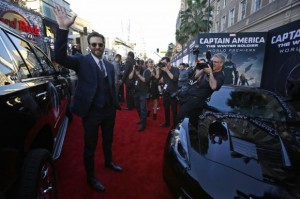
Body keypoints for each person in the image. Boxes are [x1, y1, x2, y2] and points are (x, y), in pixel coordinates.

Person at [53, 6, 122, 192]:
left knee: (108, 140)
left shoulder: (108, 64)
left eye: (100, 44)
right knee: (90, 146)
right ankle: (90, 177)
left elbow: (110, 86)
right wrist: (63, 28)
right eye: (94, 44)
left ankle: (108, 162)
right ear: (89, 46)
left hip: (109, 111)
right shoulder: (81, 61)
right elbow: (58, 56)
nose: (97, 47)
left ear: (104, 46)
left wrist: (115, 105)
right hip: (91, 112)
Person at [176, 53, 225, 126]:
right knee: (191, 121)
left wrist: (210, 73)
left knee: (179, 119)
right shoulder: (209, 69)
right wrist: (203, 68)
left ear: (221, 64)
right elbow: (195, 77)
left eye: (215, 62)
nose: (212, 63)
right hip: (190, 99)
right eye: (212, 61)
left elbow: (214, 86)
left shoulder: (220, 75)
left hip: (198, 101)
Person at [129, 59, 151, 131]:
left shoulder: (146, 71)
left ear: (142, 64)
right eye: (137, 64)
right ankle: (142, 119)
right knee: (137, 107)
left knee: (143, 109)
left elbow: (146, 80)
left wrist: (138, 74)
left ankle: (143, 124)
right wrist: (133, 70)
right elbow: (130, 77)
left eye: (139, 64)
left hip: (143, 93)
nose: (138, 66)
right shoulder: (135, 70)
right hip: (136, 92)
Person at [157, 57, 179, 128]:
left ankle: (175, 124)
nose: (163, 64)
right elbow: (157, 78)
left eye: (165, 63)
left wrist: (167, 71)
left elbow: (174, 79)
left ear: (169, 62)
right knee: (166, 109)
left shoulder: (175, 69)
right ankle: (167, 122)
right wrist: (158, 70)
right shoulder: (163, 70)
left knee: (174, 110)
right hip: (166, 92)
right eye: (162, 63)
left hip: (173, 93)